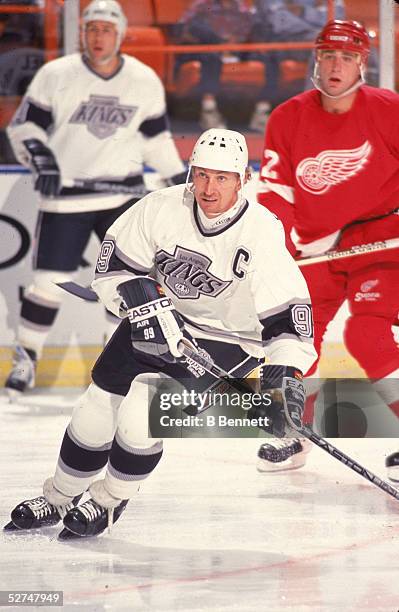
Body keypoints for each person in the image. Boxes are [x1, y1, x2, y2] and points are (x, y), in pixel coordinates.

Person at [4, 128, 317, 539]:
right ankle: (59, 496)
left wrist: (283, 377)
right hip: (156, 316)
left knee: (139, 414)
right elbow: (113, 270)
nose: (209, 188)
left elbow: (287, 316)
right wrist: (136, 299)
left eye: (222, 178)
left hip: (226, 339)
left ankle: (107, 502)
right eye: (202, 175)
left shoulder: (260, 231)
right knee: (94, 409)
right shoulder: (161, 207)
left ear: (243, 180)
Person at [4, 0, 186, 398]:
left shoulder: (142, 79)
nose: (98, 36)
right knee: (47, 284)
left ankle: (113, 362)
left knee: (127, 287)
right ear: (83, 33)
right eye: (92, 29)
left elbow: (156, 140)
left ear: (119, 35)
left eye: (106, 29)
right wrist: (42, 159)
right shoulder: (57, 75)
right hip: (67, 200)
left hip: (124, 199)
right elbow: (25, 128)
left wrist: (181, 182)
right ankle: (27, 358)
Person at [256, 19, 399, 474]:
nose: (336, 66)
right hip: (316, 244)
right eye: (328, 56)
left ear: (362, 64)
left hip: (378, 240)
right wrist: (281, 243)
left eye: (347, 57)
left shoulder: (389, 109)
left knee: (366, 333)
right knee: (295, 337)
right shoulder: (288, 116)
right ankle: (296, 431)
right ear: (317, 60)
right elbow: (277, 192)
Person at [248, 0, 345, 132]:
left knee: (360, 44)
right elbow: (280, 21)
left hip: (321, 38)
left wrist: (301, 11)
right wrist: (316, 16)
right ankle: (312, 112)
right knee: (321, 46)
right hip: (284, 41)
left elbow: (338, 18)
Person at [173, 0, 254, 129]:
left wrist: (233, 44)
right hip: (201, 48)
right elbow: (182, 29)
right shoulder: (202, 5)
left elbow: (248, 30)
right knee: (208, 48)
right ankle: (209, 109)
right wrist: (219, 45)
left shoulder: (241, 8)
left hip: (234, 49)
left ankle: (261, 112)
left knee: (266, 54)